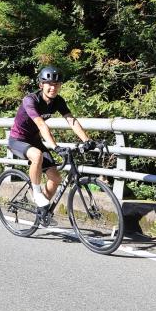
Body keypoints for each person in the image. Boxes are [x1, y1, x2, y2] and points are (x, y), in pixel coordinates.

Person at [8, 65, 94, 208]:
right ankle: (36, 193)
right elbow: (42, 125)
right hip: (17, 140)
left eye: (57, 84)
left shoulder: (58, 101)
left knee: (55, 178)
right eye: (49, 84)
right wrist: (55, 147)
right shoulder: (30, 100)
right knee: (37, 155)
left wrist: (87, 140)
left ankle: (41, 210)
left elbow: (71, 120)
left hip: (34, 141)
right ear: (41, 85)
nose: (53, 88)